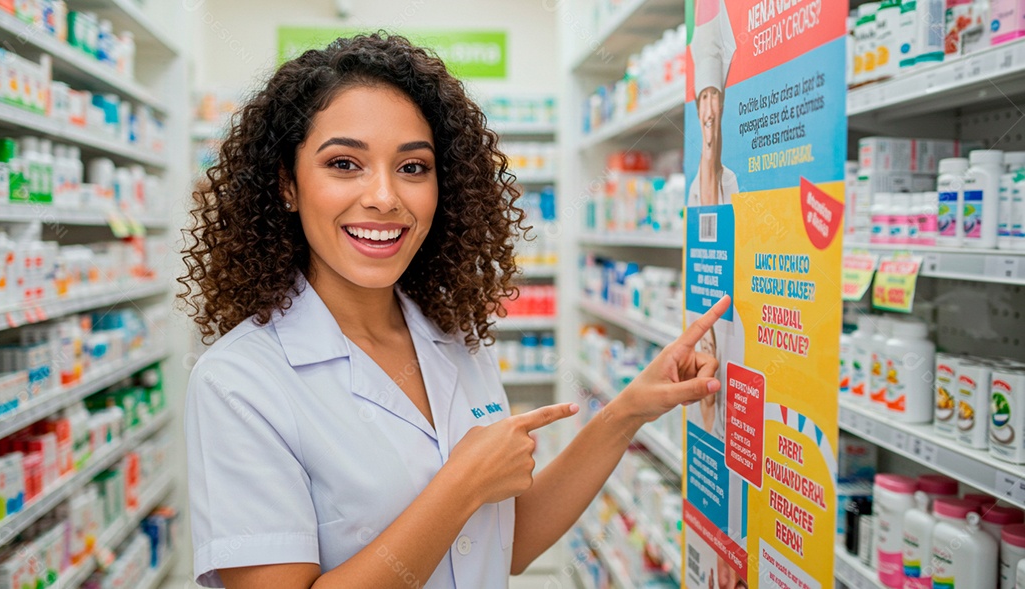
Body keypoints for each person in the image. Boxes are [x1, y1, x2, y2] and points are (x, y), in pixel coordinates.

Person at [179, 33, 729, 589]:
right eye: (345, 163)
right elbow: (465, 497)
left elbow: (506, 540)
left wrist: (629, 410)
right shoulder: (239, 382)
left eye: (413, 167)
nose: (385, 197)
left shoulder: (452, 335)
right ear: (288, 185)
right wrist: (462, 483)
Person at [689, 0, 739, 207]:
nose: (709, 111)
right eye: (704, 97)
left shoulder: (730, 181)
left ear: (722, 106)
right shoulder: (693, 190)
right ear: (697, 109)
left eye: (714, 95)